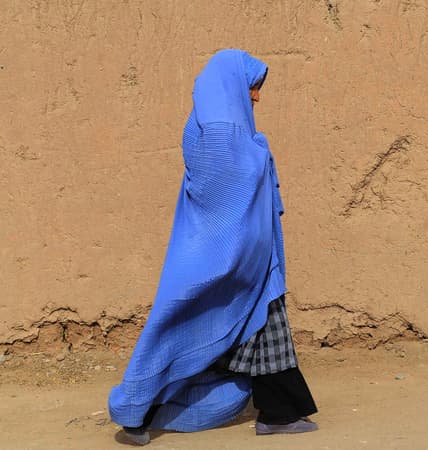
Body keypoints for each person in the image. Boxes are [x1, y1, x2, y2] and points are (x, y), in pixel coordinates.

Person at [108, 49, 317, 446]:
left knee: (223, 328)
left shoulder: (206, 125)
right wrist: (261, 150)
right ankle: (138, 410)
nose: (256, 97)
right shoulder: (226, 131)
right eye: (253, 86)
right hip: (229, 255)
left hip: (236, 254)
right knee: (193, 328)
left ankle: (276, 411)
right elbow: (233, 181)